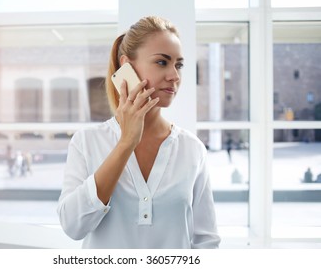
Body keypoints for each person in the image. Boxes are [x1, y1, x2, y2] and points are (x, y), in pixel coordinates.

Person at [57, 16, 220, 249]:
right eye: (162, 62)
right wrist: (126, 143)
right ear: (127, 67)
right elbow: (72, 226)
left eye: (178, 64)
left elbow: (206, 241)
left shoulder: (192, 149)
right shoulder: (86, 142)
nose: (174, 75)